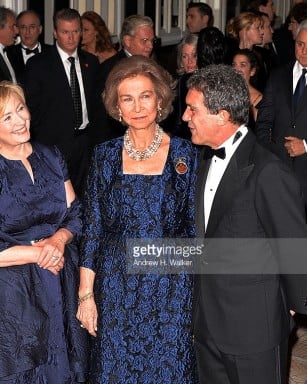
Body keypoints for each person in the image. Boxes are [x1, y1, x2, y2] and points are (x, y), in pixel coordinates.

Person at [183, 64, 307, 384]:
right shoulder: (203, 158)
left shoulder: (268, 171)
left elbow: (297, 244)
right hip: (207, 323)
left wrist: (288, 311)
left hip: (253, 327)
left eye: (192, 109)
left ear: (222, 115)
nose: (185, 117)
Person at [77, 55, 199, 383]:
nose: (137, 106)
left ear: (159, 99)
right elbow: (92, 227)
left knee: (168, 369)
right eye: (127, 99)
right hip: (116, 286)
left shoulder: (186, 154)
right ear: (117, 107)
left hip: (171, 288)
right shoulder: (103, 156)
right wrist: (86, 294)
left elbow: (196, 230)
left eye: (145, 96)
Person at [0, 79, 87, 383]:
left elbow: (77, 213)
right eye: (7, 117)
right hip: (9, 291)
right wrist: (41, 252)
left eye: (21, 109)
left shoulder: (52, 157)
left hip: (57, 281)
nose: (20, 120)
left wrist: (58, 240)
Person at [256, 17, 307, 283]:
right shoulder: (279, 74)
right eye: (300, 44)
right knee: (281, 235)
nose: (305, 51)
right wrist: (272, 152)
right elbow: (263, 121)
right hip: (280, 171)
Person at [23, 8, 103, 196]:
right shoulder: (38, 65)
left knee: (85, 195)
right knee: (57, 197)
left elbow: (96, 105)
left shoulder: (91, 63)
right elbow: (32, 108)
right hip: (53, 145)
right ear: (55, 33)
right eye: (65, 32)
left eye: (76, 31)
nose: (71, 37)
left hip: (85, 142)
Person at [166, 33, 199, 140]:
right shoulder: (178, 82)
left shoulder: (205, 84)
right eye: (185, 56)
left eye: (194, 56)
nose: (189, 62)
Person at [6, 10, 50, 84]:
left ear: (40, 29)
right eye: (23, 27)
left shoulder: (52, 52)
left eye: (32, 27)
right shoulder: (8, 53)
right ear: (18, 30)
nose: (27, 32)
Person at [232, 49, 263, 125]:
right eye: (234, 64)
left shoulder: (259, 100)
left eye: (242, 65)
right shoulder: (227, 93)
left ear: (252, 71)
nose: (237, 69)